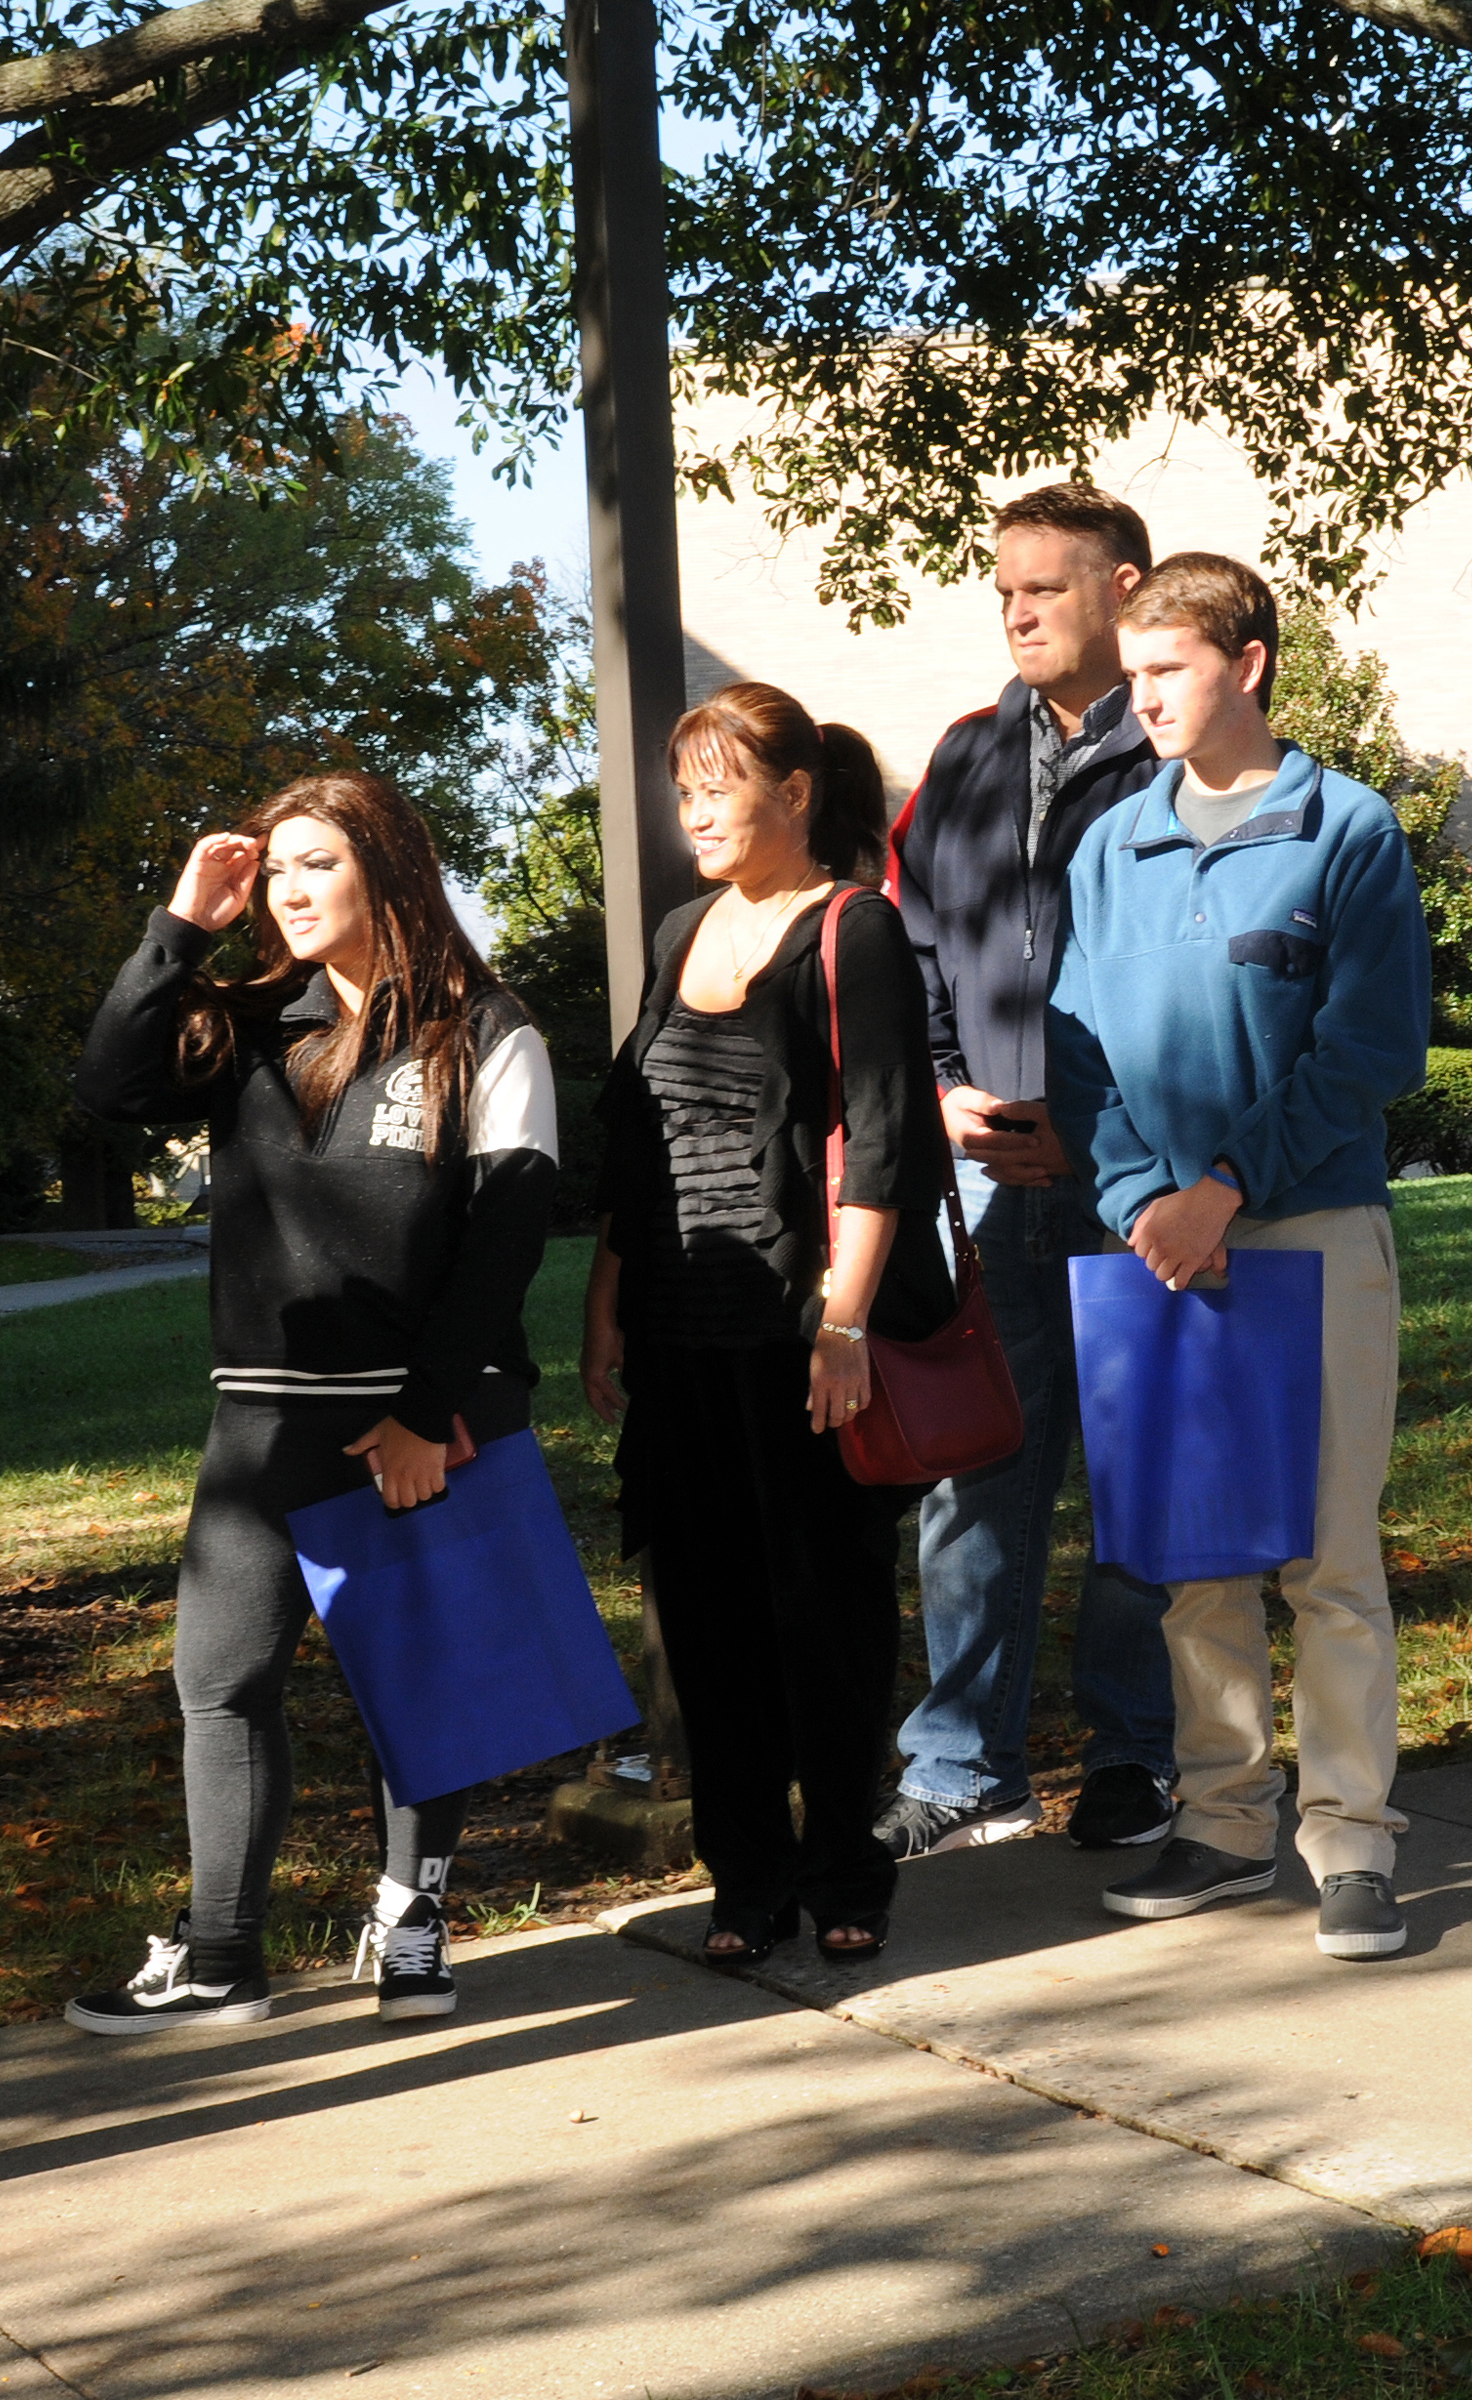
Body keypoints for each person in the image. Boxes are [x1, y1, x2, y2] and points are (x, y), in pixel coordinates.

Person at [67, 773, 562, 2033]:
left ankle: (413, 1922)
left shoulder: (489, 1030)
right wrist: (179, 929)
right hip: (267, 1419)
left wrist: (424, 1413)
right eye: (274, 868)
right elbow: (110, 1089)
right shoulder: (246, 1024)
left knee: (420, 1685)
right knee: (218, 1680)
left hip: (418, 1420)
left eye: (315, 863)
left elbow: (507, 1239)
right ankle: (223, 1953)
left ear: (388, 873)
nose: (286, 890)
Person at [1045, 552, 1430, 1961]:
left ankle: (1352, 1843)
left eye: (1168, 671)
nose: (1140, 697)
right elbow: (1074, 1058)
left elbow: (1372, 1046)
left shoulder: (1348, 829)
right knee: (1195, 1558)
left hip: (1311, 1227)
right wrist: (1150, 1196)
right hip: (1157, 1244)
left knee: (1327, 1558)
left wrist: (1225, 1184)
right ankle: (1221, 1823)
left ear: (1248, 664)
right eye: (1133, 673)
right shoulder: (1108, 847)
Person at [584, 684, 957, 1967]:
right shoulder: (683, 928)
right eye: (683, 788)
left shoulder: (853, 931)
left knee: (825, 1606)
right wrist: (606, 1307)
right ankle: (743, 1876)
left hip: (803, 1336)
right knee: (706, 1613)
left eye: (719, 785)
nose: (694, 811)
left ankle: (844, 1864)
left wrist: (844, 1323)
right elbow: (640, 1140)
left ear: (793, 795)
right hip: (683, 1331)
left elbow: (890, 1144)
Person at [880, 482, 1178, 1860]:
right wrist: (945, 1083)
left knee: (1138, 1481)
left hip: (1137, 1184)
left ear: (1124, 589)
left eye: (1044, 588)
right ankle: (963, 1768)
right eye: (1003, 589)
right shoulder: (965, 755)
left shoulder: (1183, 751)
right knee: (974, 1474)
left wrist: (1105, 1132)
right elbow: (921, 944)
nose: (1015, 610)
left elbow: (1195, 979)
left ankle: (1136, 1754)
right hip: (990, 1180)